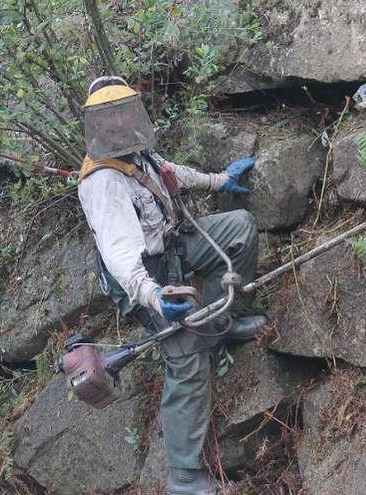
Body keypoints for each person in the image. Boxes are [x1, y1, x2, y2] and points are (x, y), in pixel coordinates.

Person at [76, 76, 267, 495]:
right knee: (187, 361)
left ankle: (225, 323)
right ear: (98, 125)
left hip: (175, 246)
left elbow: (169, 173)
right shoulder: (102, 182)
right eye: (111, 117)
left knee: (239, 227)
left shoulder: (135, 151)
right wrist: (154, 297)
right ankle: (183, 475)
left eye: (125, 112)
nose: (120, 122)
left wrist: (219, 181)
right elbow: (121, 257)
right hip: (147, 279)